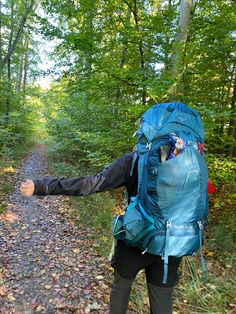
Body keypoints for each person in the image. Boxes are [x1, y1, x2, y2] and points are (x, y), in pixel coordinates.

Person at [21, 152, 181, 314]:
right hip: (172, 244)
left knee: (121, 292)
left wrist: (44, 185)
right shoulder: (188, 158)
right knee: (163, 302)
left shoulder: (135, 159)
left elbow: (91, 184)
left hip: (134, 241)